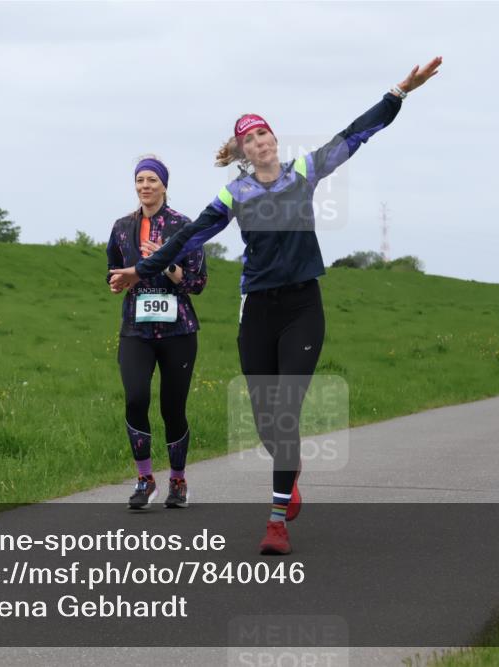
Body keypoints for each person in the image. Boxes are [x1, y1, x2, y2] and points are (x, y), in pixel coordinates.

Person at [110, 58, 443, 554]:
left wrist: (400, 91)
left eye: (266, 134)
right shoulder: (235, 192)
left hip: (303, 307)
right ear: (243, 150)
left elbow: (356, 134)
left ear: (274, 140)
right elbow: (188, 235)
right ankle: (291, 471)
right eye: (251, 138)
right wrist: (142, 269)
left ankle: (275, 521)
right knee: (267, 420)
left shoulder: (303, 173)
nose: (261, 142)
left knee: (286, 413)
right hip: (257, 312)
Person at [106, 157, 207, 510]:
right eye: (139, 180)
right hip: (136, 329)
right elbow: (112, 269)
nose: (145, 186)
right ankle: (145, 479)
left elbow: (197, 283)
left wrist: (166, 265)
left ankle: (177, 481)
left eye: (152, 180)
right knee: (135, 398)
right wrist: (116, 281)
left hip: (178, 330)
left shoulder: (184, 226)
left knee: (172, 408)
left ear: (164, 185)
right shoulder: (122, 227)